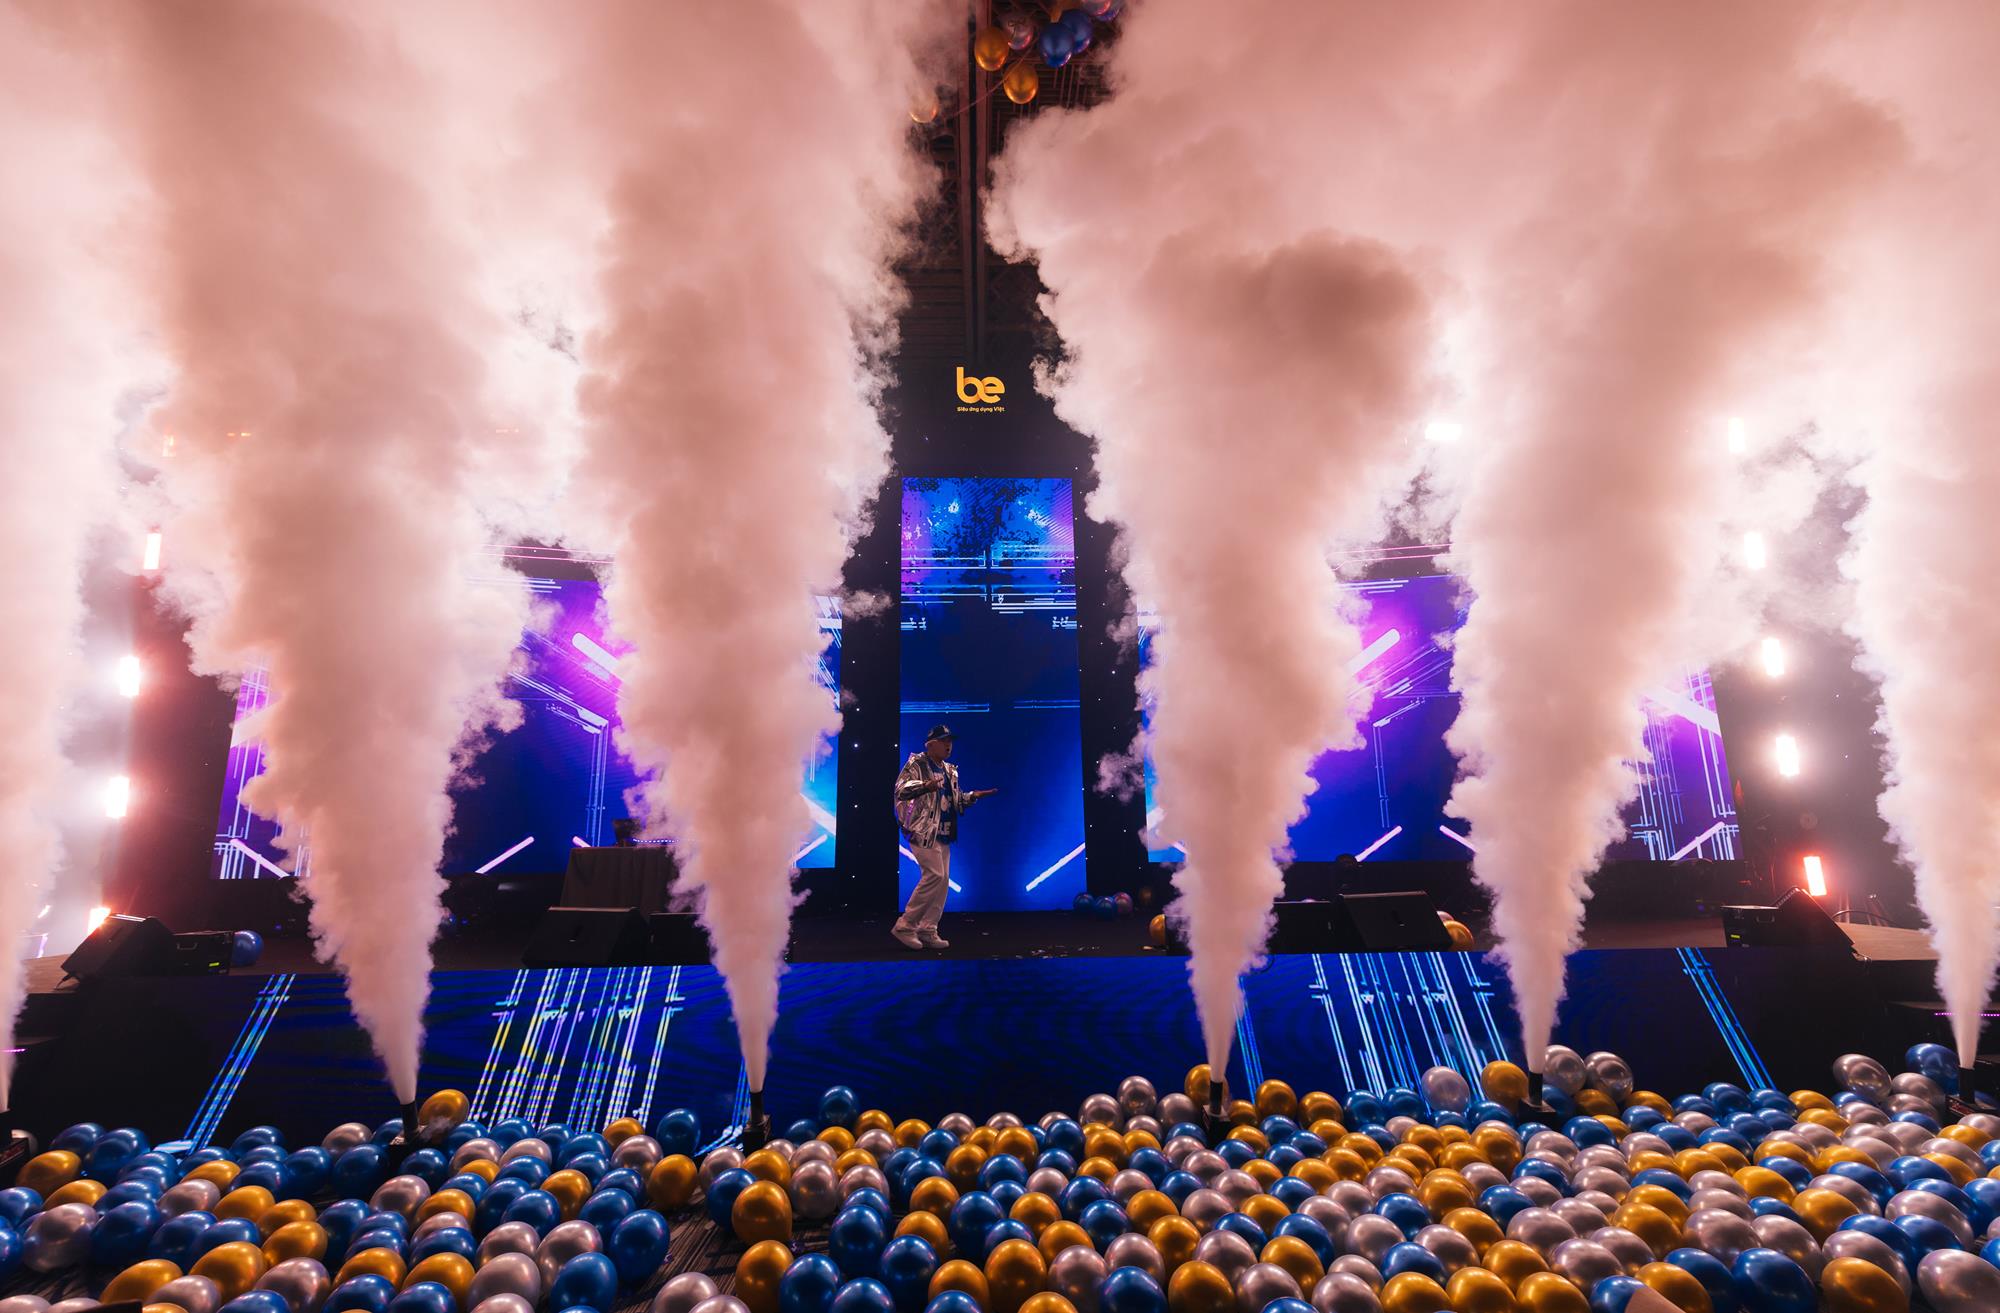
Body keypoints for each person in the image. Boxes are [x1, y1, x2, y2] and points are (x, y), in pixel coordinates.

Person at [892, 723, 996, 950]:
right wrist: (925, 785)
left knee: (942, 881)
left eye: (950, 741)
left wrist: (972, 796)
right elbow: (901, 789)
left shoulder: (950, 770)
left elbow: (954, 800)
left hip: (944, 831)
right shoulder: (917, 763)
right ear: (931, 744)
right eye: (944, 741)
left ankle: (928, 929)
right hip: (922, 830)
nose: (949, 745)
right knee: (935, 875)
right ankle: (905, 925)